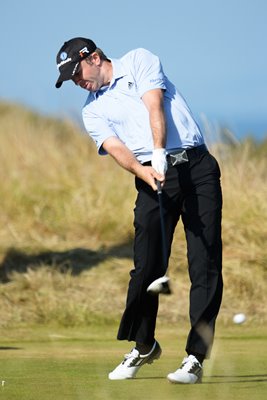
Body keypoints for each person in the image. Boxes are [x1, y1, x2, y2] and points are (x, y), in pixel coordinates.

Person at [55, 37, 223, 384]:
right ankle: (144, 345)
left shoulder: (138, 60)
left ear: (95, 57)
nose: (77, 81)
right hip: (151, 178)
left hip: (195, 168)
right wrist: (143, 169)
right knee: (147, 268)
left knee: (203, 263)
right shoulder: (92, 110)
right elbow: (115, 147)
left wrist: (159, 150)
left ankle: (195, 357)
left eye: (77, 73)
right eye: (70, 79)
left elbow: (153, 104)